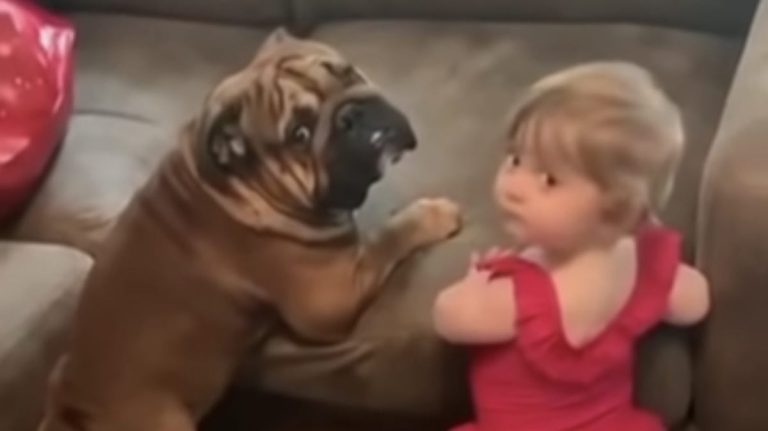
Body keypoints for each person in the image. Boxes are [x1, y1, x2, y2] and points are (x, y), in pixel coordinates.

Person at [432, 61, 710, 431]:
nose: (513, 187)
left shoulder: (512, 299)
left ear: (615, 205)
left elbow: (448, 318)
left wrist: (474, 285)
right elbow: (695, 303)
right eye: (515, 159)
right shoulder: (641, 265)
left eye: (548, 179)